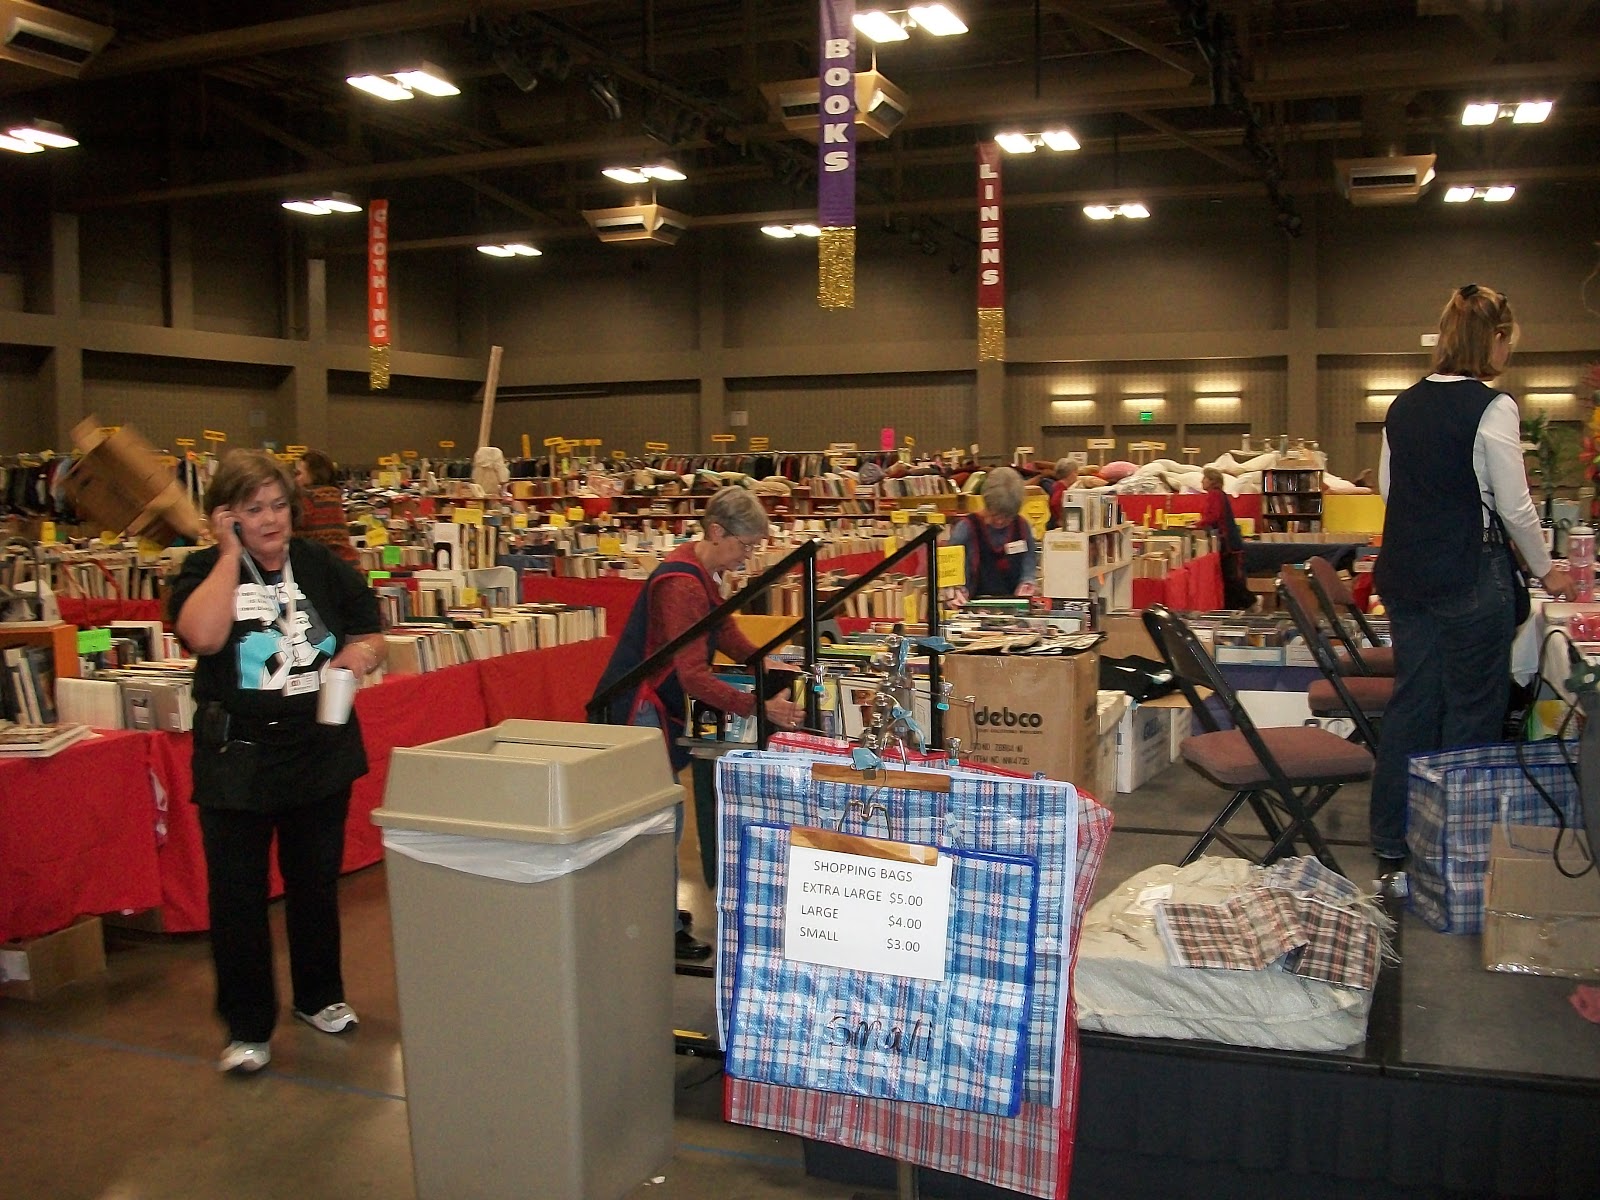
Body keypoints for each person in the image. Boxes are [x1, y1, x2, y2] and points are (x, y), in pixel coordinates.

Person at [170, 449, 388, 1074]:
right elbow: (204, 637)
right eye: (253, 508)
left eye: (277, 506)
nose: (270, 519)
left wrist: (360, 657)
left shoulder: (320, 564)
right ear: (227, 515)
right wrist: (227, 555)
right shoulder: (202, 569)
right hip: (236, 757)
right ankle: (247, 1027)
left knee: (314, 884)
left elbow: (371, 632)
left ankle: (319, 996)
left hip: (317, 750)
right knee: (237, 897)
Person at [1369, 283, 1575, 872]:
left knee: (1413, 703)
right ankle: (1454, 846)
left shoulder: (1402, 406)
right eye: (1508, 342)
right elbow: (1515, 506)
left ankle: (1391, 837)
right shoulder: (1493, 406)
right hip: (1469, 576)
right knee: (1473, 710)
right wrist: (1546, 569)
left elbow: (1388, 489)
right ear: (1496, 338)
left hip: (1407, 577)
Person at [590, 486, 805, 960]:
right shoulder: (682, 584)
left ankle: (656, 911)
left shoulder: (702, 572)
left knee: (662, 814)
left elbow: (722, 629)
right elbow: (693, 676)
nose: (747, 557)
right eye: (745, 546)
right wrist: (758, 706)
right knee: (661, 818)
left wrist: (764, 663)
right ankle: (660, 930)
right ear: (716, 532)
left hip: (654, 704)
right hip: (638, 709)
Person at [946, 466, 1038, 602]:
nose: (1000, 521)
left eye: (1007, 517)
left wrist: (1027, 581)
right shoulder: (966, 528)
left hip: (1014, 605)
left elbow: (1029, 559)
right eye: (994, 514)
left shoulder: (1022, 527)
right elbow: (949, 570)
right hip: (972, 605)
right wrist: (955, 589)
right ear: (986, 504)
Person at [1195, 466, 1255, 610]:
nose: (1202, 481)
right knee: (1229, 576)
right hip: (1229, 541)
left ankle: (1250, 601)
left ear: (1211, 480)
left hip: (1227, 543)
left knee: (1230, 577)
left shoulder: (1214, 495)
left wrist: (1197, 525)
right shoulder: (1220, 494)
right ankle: (1238, 605)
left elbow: (1214, 516)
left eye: (1204, 478)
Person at [293, 449, 359, 565]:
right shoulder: (334, 496)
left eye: (299, 474)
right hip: (347, 565)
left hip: (322, 567)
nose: (295, 479)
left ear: (314, 474)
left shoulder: (307, 498)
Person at [1045, 457, 1080, 530]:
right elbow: (1055, 503)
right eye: (1076, 472)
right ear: (1071, 473)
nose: (1077, 475)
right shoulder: (1060, 488)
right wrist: (1061, 519)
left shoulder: (1058, 485)